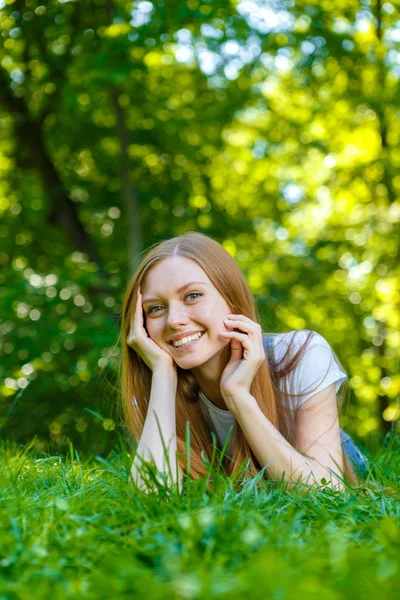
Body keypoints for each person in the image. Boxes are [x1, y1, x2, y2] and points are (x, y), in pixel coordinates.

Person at [120, 232, 369, 494]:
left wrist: (238, 395)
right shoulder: (155, 386)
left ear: (232, 298)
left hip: (333, 462)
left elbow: (328, 492)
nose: (174, 320)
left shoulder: (298, 354)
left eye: (192, 296)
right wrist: (162, 374)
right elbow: (150, 500)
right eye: (155, 308)